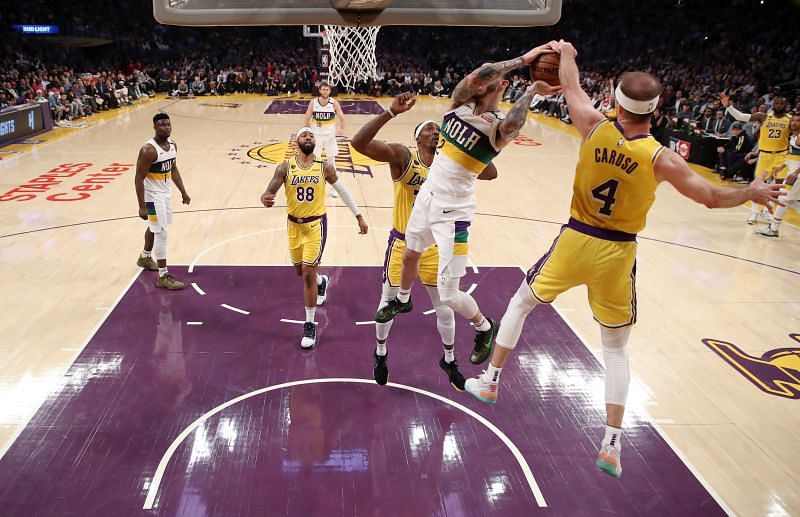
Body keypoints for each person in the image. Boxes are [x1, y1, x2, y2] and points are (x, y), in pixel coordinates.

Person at [464, 40, 783, 480]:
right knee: (615, 351)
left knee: (520, 304)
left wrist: (567, 52)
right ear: (656, 108)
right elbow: (711, 198)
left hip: (576, 237)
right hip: (618, 252)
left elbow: (572, 84)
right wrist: (751, 192)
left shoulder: (593, 125)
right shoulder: (662, 158)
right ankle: (612, 443)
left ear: (614, 100)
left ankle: (492, 381)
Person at [374, 43, 561, 367]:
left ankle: (485, 327)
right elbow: (480, 74)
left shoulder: (496, 130)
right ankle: (403, 300)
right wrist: (522, 60)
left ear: (501, 87)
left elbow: (513, 125)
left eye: (485, 82)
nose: (475, 82)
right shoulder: (458, 106)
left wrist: (533, 89)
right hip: (429, 195)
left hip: (454, 212)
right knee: (409, 253)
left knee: (448, 294)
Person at [351, 92, 497, 389]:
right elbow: (358, 144)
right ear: (417, 139)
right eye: (430, 128)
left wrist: (467, 145)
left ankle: (450, 360)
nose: (436, 131)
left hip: (435, 247)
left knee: (444, 306)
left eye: (438, 128)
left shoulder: (451, 163)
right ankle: (380, 353)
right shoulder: (404, 157)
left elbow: (491, 173)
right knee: (387, 304)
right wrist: (390, 113)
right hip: (404, 242)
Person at [260, 127, 368, 349]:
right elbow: (269, 190)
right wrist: (265, 197)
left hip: (315, 225)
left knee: (308, 271)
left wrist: (358, 216)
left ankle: (309, 323)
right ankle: (323, 282)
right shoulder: (285, 167)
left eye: (311, 135)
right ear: (297, 141)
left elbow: (344, 190)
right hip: (293, 225)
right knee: (301, 271)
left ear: (315, 142)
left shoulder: (324, 167)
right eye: (304, 135)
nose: (308, 137)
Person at [135, 113, 191, 289]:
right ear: (154, 127)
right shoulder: (148, 150)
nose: (166, 127)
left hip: (165, 194)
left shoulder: (173, 145)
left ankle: (144, 257)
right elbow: (138, 178)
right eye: (161, 125)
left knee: (156, 226)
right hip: (152, 197)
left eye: (168, 124)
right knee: (162, 232)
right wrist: (142, 206)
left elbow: (173, 169)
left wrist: (183, 191)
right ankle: (163, 275)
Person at [721, 90, 791, 224]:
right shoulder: (763, 116)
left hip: (781, 155)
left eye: (782, 103)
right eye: (777, 102)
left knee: (778, 187)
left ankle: (766, 211)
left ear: (786, 105)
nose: (779, 105)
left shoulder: (789, 120)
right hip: (765, 154)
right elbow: (742, 117)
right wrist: (728, 106)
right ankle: (753, 212)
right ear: (773, 104)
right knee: (758, 185)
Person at [756, 114, 800, 237]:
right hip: (793, 172)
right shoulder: (793, 136)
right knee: (791, 202)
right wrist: (782, 166)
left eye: (798, 121)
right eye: (793, 120)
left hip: (796, 175)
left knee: (783, 198)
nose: (794, 123)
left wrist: (796, 172)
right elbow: (793, 157)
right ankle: (774, 228)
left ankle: (774, 228)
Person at [304, 82, 346, 172]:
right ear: (319, 90)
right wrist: (307, 131)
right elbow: (307, 117)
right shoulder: (313, 102)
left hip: (330, 136)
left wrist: (342, 129)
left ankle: (333, 177)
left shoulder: (334, 103)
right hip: (316, 134)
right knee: (315, 157)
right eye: (323, 89)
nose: (325, 91)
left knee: (331, 158)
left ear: (330, 91)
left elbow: (342, 117)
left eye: (327, 90)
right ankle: (314, 174)